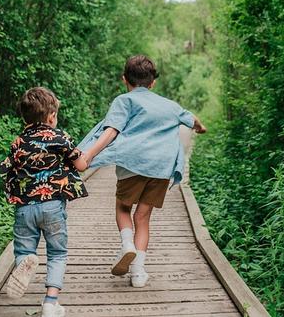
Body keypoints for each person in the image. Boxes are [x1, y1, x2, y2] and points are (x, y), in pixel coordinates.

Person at [79, 55, 206, 288]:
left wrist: (88, 155)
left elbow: (111, 131)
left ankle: (127, 245)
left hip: (133, 164)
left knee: (123, 207)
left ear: (124, 79)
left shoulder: (124, 101)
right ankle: (138, 273)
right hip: (161, 169)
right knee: (143, 217)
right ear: (153, 83)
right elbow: (192, 119)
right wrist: (200, 127)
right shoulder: (170, 105)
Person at [0, 87, 88, 317]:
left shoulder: (18, 143)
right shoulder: (60, 138)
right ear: (51, 117)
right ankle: (50, 303)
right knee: (57, 253)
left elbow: (7, 170)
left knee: (24, 249)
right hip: (52, 207)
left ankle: (24, 260)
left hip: (25, 209)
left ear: (24, 117)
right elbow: (81, 165)